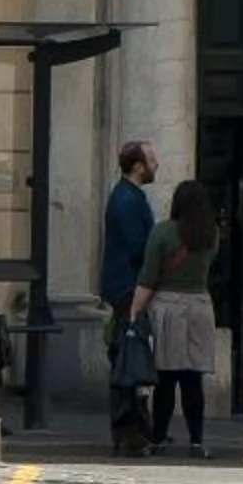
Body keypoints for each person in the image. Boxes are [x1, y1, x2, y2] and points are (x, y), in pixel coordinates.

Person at [130, 179, 222, 459]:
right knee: (193, 379)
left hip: (169, 307)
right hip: (200, 306)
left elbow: (148, 277)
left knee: (166, 378)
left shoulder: (163, 232)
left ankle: (158, 438)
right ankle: (197, 441)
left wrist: (135, 312)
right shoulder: (211, 234)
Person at [101, 141, 159, 454]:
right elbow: (139, 245)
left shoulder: (130, 196)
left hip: (128, 286)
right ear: (138, 166)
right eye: (151, 160)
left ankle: (137, 428)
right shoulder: (126, 199)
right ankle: (129, 431)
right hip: (128, 288)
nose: (156, 165)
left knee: (131, 358)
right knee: (128, 360)